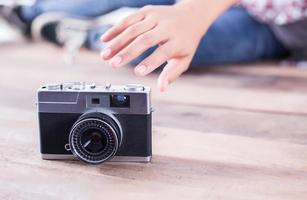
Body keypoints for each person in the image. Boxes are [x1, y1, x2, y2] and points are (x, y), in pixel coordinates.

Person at [1, 0, 307, 91]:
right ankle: (25, 14)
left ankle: (79, 33)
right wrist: (192, 13)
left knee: (147, 51)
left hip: (279, 31)